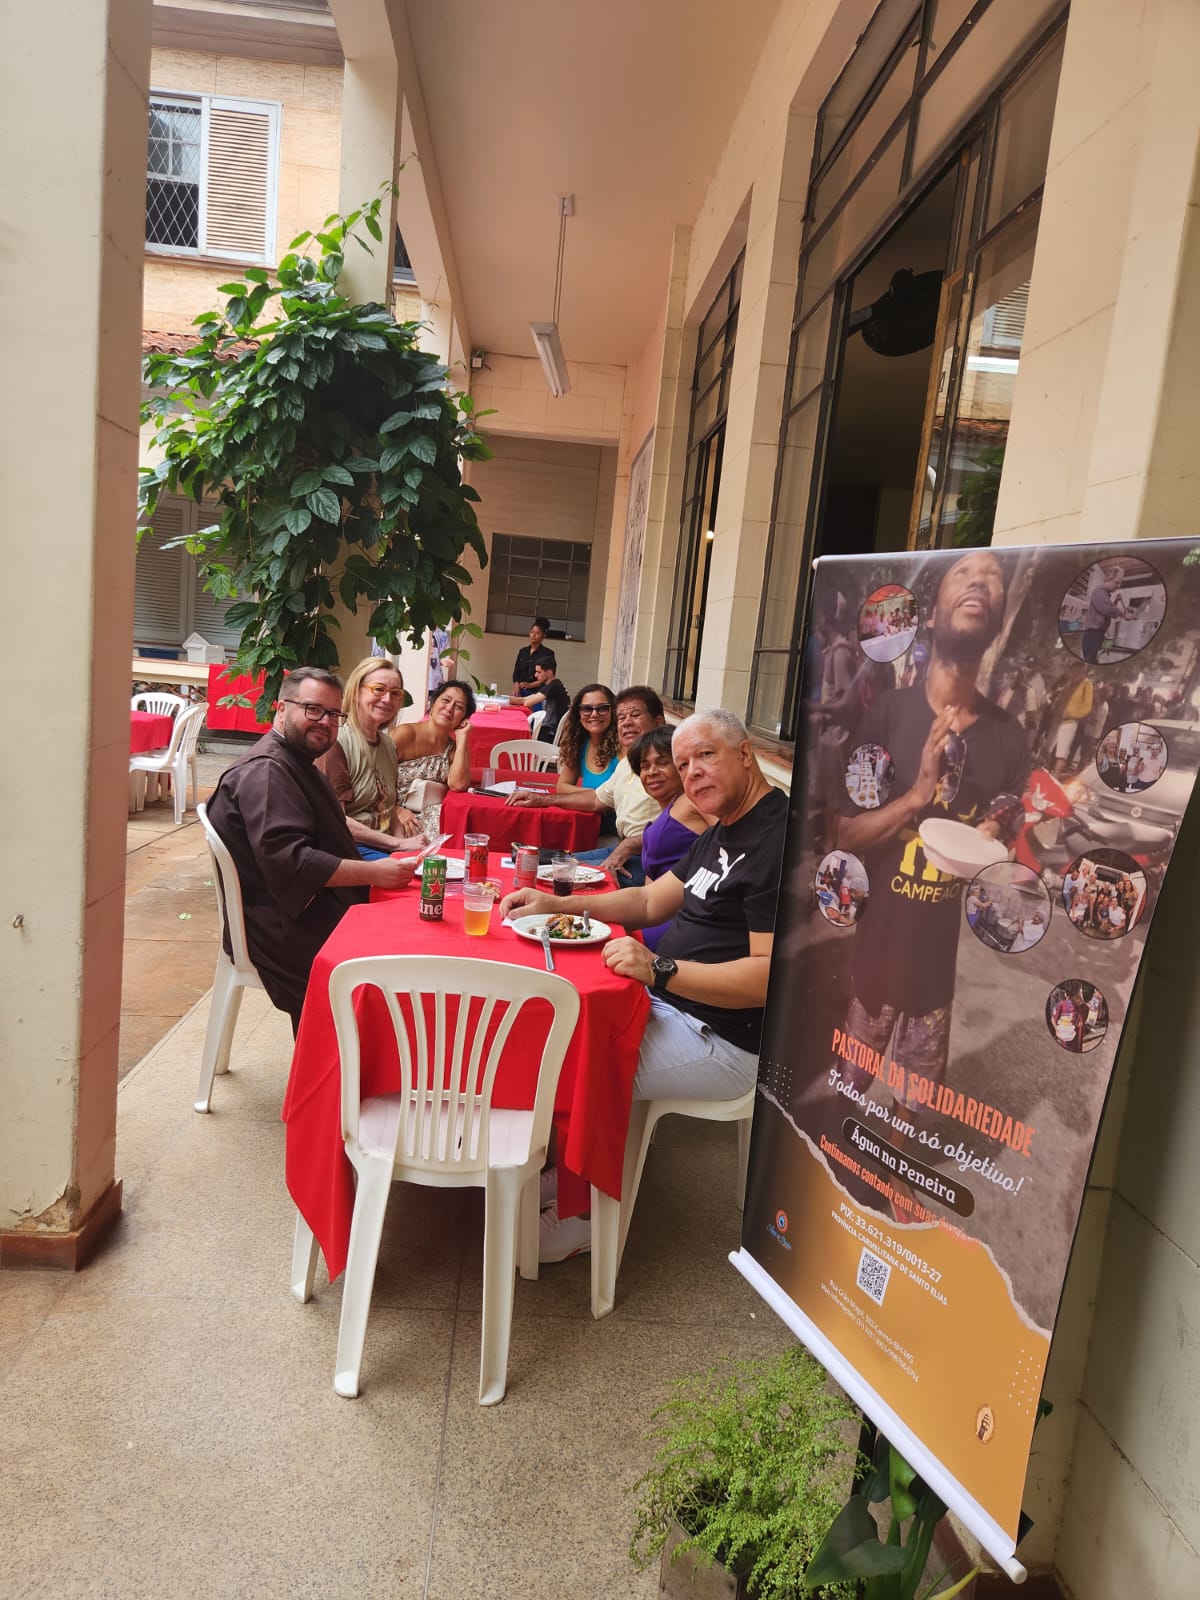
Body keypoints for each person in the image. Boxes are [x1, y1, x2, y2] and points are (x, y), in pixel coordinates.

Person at [502, 710, 787, 1260]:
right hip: (672, 1005)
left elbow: (767, 978)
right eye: (685, 763)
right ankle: (571, 1169)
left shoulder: (775, 841)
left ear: (746, 754)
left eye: (706, 755)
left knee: (577, 1062)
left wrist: (661, 969)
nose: (692, 772)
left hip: (725, 1038)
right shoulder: (726, 826)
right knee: (560, 1023)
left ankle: (587, 1215)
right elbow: (650, 899)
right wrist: (557, 904)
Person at [836, 550, 1030, 1106]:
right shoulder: (887, 714)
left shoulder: (1009, 738)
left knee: (915, 1108)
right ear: (933, 614)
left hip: (935, 974)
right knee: (848, 1089)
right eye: (962, 572)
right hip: (874, 965)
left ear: (1000, 618)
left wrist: (996, 840)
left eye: (992, 577)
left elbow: (1004, 842)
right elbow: (845, 837)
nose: (979, 581)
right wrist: (918, 795)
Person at [206, 667, 416, 1033]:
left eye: (334, 714)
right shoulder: (267, 773)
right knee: (389, 970)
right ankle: (345, 1065)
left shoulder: (296, 761)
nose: (326, 722)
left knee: (408, 928)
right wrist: (375, 872)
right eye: (313, 709)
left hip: (307, 907)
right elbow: (293, 864)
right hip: (280, 925)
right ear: (281, 708)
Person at [505, 686, 664, 884]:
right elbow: (596, 799)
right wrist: (540, 799)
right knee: (540, 863)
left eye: (635, 715)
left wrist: (631, 844)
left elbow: (680, 825)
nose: (626, 723)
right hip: (625, 847)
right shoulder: (628, 764)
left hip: (649, 858)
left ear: (658, 722)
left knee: (559, 876)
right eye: (621, 717)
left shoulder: (671, 766)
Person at [627, 725, 713, 949]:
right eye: (644, 766)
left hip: (685, 919)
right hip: (657, 910)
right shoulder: (669, 808)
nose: (651, 772)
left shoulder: (693, 801)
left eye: (662, 762)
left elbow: (733, 839)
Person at [315, 657, 408, 860]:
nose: (387, 699)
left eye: (395, 693)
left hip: (383, 847)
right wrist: (398, 845)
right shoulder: (337, 742)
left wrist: (403, 852)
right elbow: (335, 821)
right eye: (379, 689)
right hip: (348, 849)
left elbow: (389, 809)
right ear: (356, 692)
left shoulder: (388, 744)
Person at [390, 678, 474, 839]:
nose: (449, 708)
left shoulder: (452, 749)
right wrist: (396, 810)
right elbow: (374, 776)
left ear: (464, 718)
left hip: (428, 817)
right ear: (433, 702)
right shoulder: (405, 734)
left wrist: (462, 737)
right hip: (394, 813)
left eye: (458, 707)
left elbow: (458, 785)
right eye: (446, 700)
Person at [555, 683, 620, 792]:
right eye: (587, 709)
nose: (594, 714)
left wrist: (591, 796)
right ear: (578, 714)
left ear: (613, 711)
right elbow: (562, 787)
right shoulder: (579, 743)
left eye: (602, 708)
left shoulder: (623, 746)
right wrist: (594, 795)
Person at [508, 656, 569, 741]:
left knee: (514, 733)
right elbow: (528, 698)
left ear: (549, 673)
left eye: (539, 672)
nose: (535, 675)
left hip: (551, 733)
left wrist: (506, 700)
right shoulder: (552, 685)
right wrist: (506, 699)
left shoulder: (553, 687)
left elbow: (528, 702)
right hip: (550, 730)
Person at [1080, 567, 1132, 664]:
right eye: (1117, 582)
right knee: (1091, 663)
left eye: (1120, 583)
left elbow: (1107, 612)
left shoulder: (1105, 595)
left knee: (1093, 661)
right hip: (1093, 636)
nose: (1119, 586)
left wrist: (1116, 601)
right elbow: (1107, 609)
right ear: (1108, 579)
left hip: (1097, 635)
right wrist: (1123, 615)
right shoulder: (1099, 592)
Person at [511, 616, 555, 695]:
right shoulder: (523, 651)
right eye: (532, 632)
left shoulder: (548, 653)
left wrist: (531, 685)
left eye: (537, 633)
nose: (534, 635)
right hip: (521, 690)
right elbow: (516, 672)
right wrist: (516, 685)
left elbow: (548, 676)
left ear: (543, 636)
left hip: (539, 691)